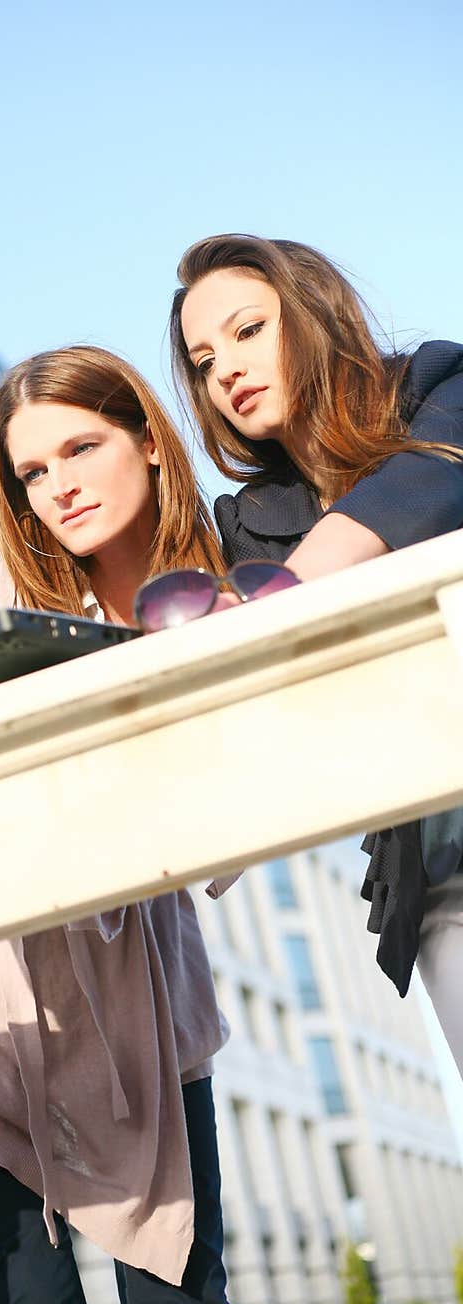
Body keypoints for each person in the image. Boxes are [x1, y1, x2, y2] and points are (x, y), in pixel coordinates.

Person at [0, 344, 237, 1304]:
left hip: (140, 1014)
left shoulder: (219, 596)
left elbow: (235, 829)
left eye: (80, 447)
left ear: (148, 442)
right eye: (33, 470)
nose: (59, 487)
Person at [169, 233, 463, 1074]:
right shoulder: (250, 526)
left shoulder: (441, 384)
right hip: (438, 873)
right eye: (202, 358)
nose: (225, 368)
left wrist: (278, 600)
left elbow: (430, 483)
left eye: (248, 329)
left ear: (311, 312)